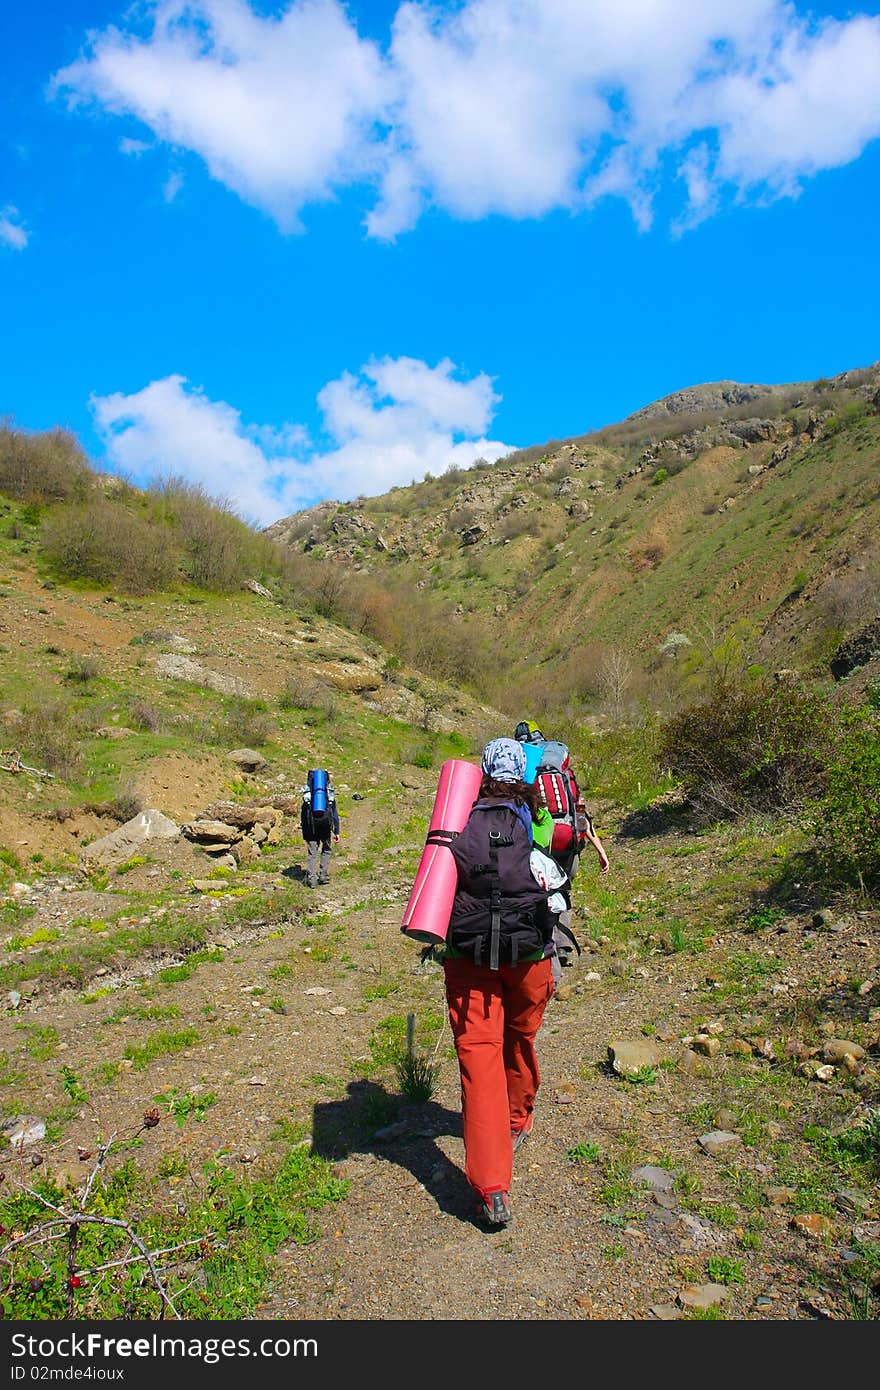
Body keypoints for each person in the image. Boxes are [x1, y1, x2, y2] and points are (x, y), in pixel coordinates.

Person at [443, 737, 557, 1228]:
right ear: (524, 775)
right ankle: (518, 1115)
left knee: (478, 1059)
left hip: (469, 959)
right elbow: (553, 853)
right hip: (529, 954)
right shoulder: (537, 817)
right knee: (521, 1035)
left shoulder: (456, 817)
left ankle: (491, 1188)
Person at [515, 720, 610, 985]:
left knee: (540, 896)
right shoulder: (563, 771)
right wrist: (599, 848)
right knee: (563, 891)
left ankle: (548, 956)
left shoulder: (524, 768)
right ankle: (565, 946)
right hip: (569, 841)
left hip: (539, 845)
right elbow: (580, 812)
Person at [300, 770, 340, 887]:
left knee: (312, 853)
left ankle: (312, 879)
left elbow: (303, 815)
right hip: (325, 826)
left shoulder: (307, 795)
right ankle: (323, 875)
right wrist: (336, 831)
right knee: (326, 849)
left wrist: (305, 833)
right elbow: (334, 814)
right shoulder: (328, 794)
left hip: (311, 827)